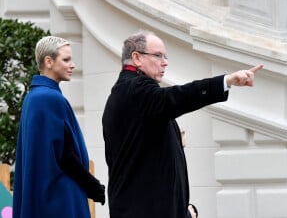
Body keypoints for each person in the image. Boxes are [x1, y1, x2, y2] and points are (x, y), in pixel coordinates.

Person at [102, 30, 263, 218]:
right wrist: (227, 81)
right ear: (136, 58)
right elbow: (178, 96)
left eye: (165, 56)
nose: (165, 62)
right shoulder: (135, 89)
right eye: (158, 55)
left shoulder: (134, 94)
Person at [13, 36, 105, 218]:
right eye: (66, 59)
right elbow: (65, 154)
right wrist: (93, 186)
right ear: (49, 61)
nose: (72, 65)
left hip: (45, 195)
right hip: (60, 197)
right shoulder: (49, 98)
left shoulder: (33, 97)